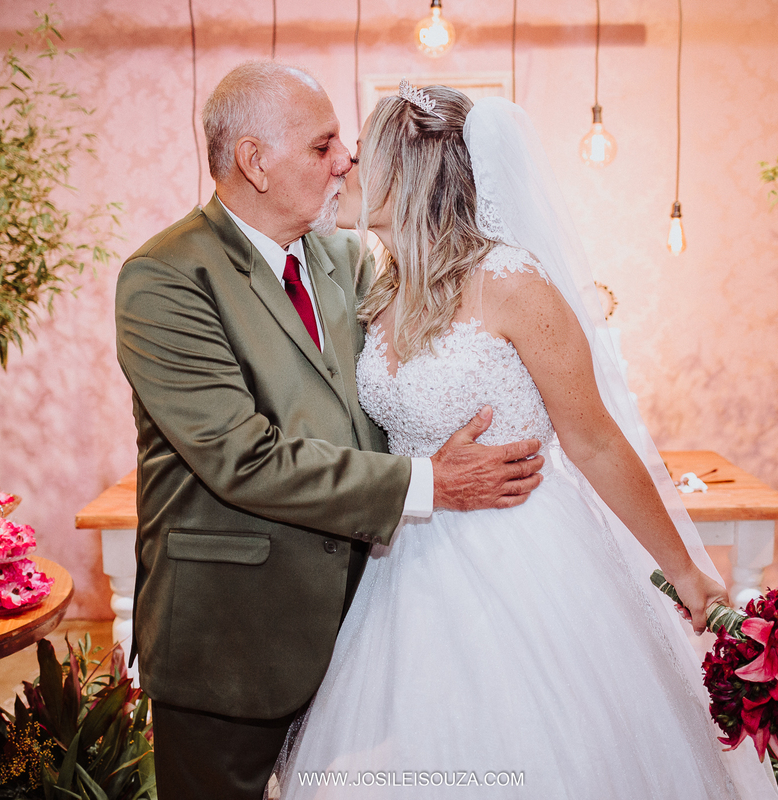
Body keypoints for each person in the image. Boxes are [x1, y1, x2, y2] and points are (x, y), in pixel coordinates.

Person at [276, 84, 778, 798]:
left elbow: (595, 440)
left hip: (519, 559)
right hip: (406, 561)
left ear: (411, 172)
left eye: (361, 155)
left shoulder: (511, 281)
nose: (344, 169)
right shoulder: (383, 289)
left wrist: (685, 569)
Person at [114, 64, 545, 800]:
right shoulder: (167, 277)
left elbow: (386, 398)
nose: (347, 158)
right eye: (323, 145)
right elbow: (241, 458)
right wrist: (430, 482)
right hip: (233, 634)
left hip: (367, 622)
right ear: (254, 161)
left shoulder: (345, 257)